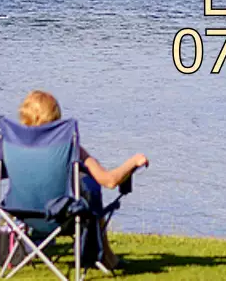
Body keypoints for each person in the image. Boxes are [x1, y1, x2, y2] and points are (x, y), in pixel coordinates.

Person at [18, 90, 147, 272]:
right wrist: (134, 161)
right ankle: (106, 258)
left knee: (87, 188)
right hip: (62, 218)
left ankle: (107, 257)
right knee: (90, 191)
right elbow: (109, 181)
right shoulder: (69, 148)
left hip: (25, 215)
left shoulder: (17, 148)